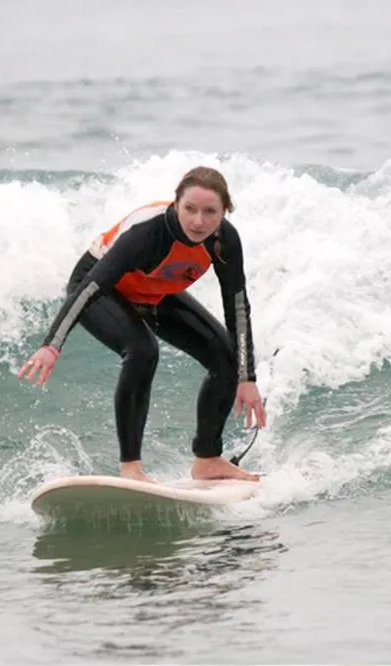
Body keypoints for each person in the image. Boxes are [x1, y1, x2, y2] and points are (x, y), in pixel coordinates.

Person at [17, 166, 267, 483]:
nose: (198, 221)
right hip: (100, 288)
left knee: (226, 355)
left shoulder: (224, 240)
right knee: (142, 350)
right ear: (176, 204)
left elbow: (237, 305)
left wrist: (247, 377)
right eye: (190, 209)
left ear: (224, 212)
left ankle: (208, 459)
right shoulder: (147, 233)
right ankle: (131, 467)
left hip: (153, 290)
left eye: (210, 212)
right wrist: (52, 344)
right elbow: (91, 288)